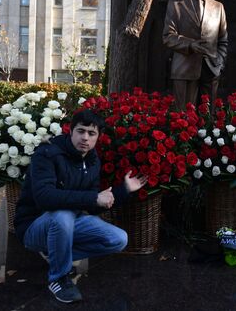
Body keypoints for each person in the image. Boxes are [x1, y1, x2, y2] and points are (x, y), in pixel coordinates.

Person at [14, 109, 147, 303]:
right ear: (71, 131)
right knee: (63, 215)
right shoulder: (47, 153)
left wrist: (123, 190)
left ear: (97, 137)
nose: (85, 137)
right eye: (81, 131)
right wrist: (93, 198)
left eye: (91, 133)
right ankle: (58, 278)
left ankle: (58, 254)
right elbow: (45, 198)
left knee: (118, 239)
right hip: (33, 226)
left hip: (68, 223)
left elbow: (94, 206)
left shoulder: (92, 161)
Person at [163, 0, 228, 110]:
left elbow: (223, 40)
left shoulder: (218, 7)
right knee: (184, 121)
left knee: (208, 121)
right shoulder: (175, 4)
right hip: (184, 71)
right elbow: (168, 36)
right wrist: (190, 44)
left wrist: (219, 62)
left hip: (211, 71)